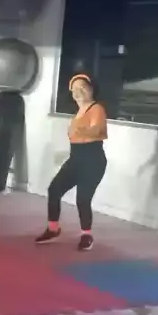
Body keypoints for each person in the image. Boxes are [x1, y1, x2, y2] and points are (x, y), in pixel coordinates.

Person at [35, 73, 107, 252]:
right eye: (74, 89)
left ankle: (86, 235)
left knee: (82, 199)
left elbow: (96, 130)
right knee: (54, 189)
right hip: (76, 158)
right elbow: (77, 137)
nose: (78, 92)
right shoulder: (79, 112)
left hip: (93, 160)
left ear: (91, 89)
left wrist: (79, 130)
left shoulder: (96, 108)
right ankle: (53, 229)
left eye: (82, 87)